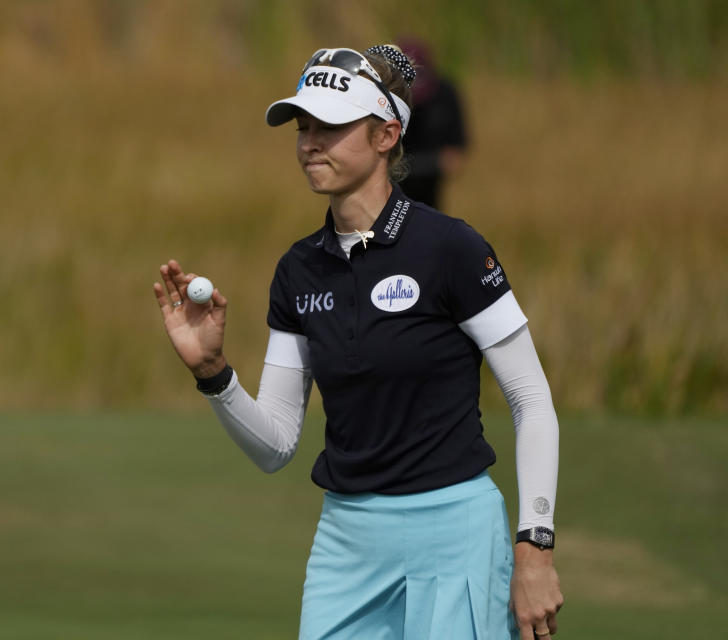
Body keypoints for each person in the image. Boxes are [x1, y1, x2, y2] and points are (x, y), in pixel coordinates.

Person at [153, 44, 562, 640]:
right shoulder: (298, 271)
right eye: (303, 126)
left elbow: (531, 400)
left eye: (331, 126)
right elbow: (275, 444)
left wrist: (535, 551)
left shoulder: (451, 247)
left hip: (455, 535)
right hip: (347, 542)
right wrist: (214, 372)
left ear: (385, 135)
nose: (310, 142)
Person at [396, 37, 468, 210]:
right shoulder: (380, 100)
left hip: (430, 184)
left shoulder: (445, 93)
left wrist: (447, 159)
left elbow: (456, 150)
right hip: (392, 184)